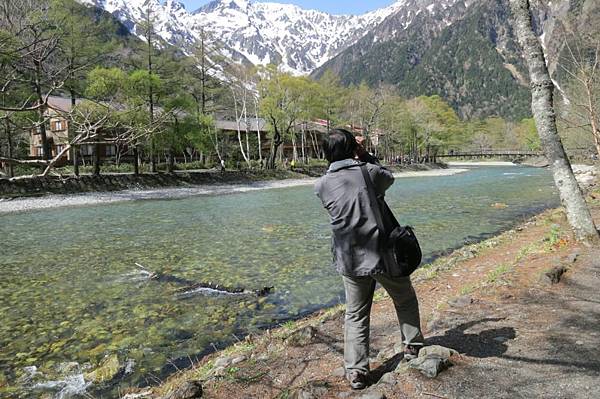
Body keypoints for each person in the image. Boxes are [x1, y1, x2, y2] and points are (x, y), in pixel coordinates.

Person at [314, 129, 424, 390]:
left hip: (348, 259)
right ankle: (412, 348)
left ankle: (356, 372)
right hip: (381, 255)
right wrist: (366, 155)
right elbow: (389, 178)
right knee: (404, 298)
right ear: (353, 148)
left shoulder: (320, 185)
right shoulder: (369, 172)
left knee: (356, 314)